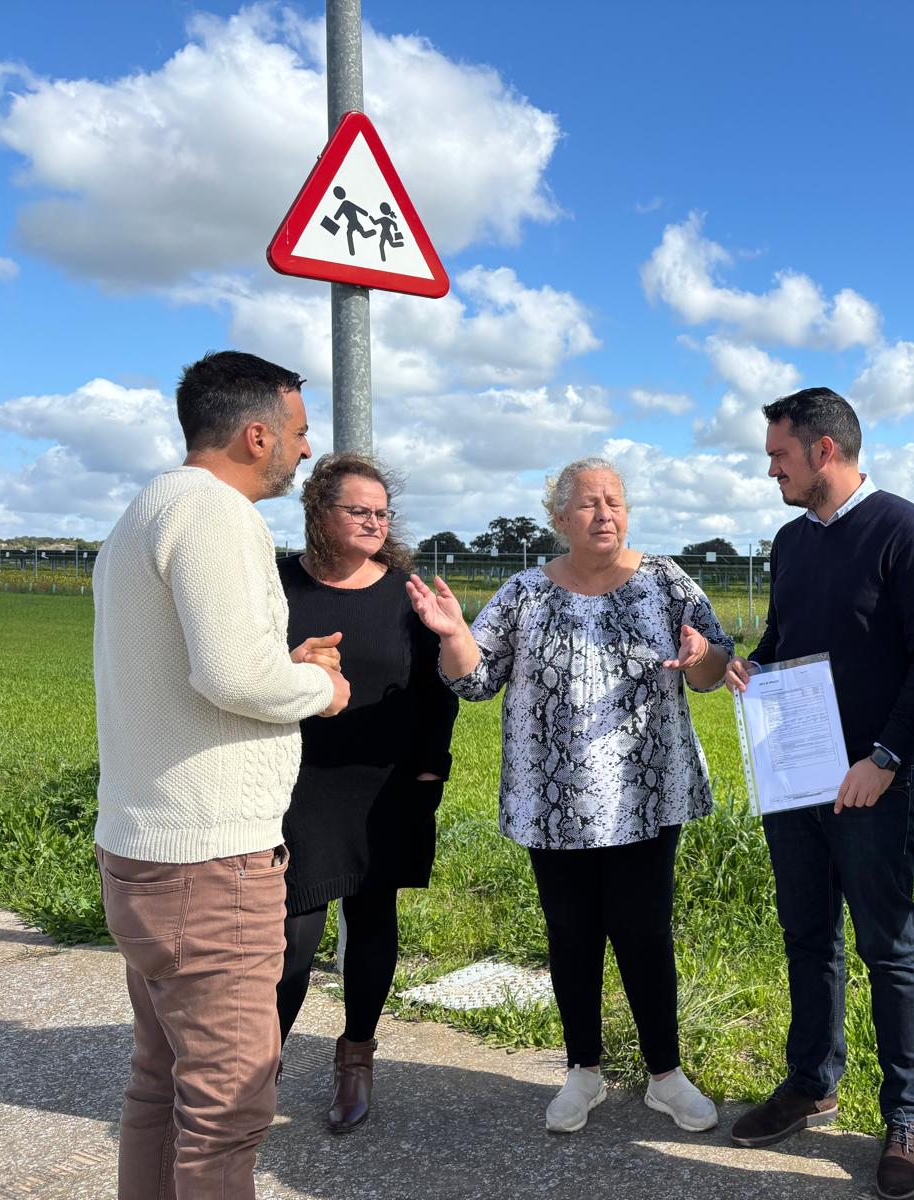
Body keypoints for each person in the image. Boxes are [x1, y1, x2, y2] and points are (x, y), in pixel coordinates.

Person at [407, 457, 731, 1136]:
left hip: (646, 793)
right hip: (552, 798)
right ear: (558, 518)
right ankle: (583, 1069)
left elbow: (709, 672)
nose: (604, 513)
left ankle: (665, 1076)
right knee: (572, 936)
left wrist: (704, 652)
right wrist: (453, 634)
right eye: (587, 504)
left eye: (614, 501)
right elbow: (474, 681)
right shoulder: (524, 591)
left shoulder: (667, 581)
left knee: (645, 934)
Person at [92, 350, 349, 1199]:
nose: (305, 451)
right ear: (255, 433)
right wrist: (319, 686)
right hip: (210, 864)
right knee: (228, 1112)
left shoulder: (150, 507)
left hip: (145, 845)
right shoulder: (219, 515)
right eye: (300, 433)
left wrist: (280, 666)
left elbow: (204, 667)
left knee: (159, 1085)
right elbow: (234, 679)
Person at [726, 388, 914, 1200]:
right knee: (806, 936)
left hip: (874, 785)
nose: (771, 470)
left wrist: (886, 757)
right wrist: (751, 666)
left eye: (779, 456)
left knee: (888, 948)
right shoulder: (791, 543)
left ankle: (908, 1113)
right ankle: (811, 1081)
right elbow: (786, 639)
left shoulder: (906, 531)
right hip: (797, 782)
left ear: (825, 451)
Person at [274, 453, 459, 1133]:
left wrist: (431, 770)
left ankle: (356, 1056)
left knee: (374, 919)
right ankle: (262, 1065)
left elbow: (436, 688)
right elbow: (243, 668)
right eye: (360, 510)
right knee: (295, 935)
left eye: (382, 512)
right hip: (295, 784)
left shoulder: (406, 591)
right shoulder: (276, 583)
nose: (376, 522)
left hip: (387, 785)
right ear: (321, 513)